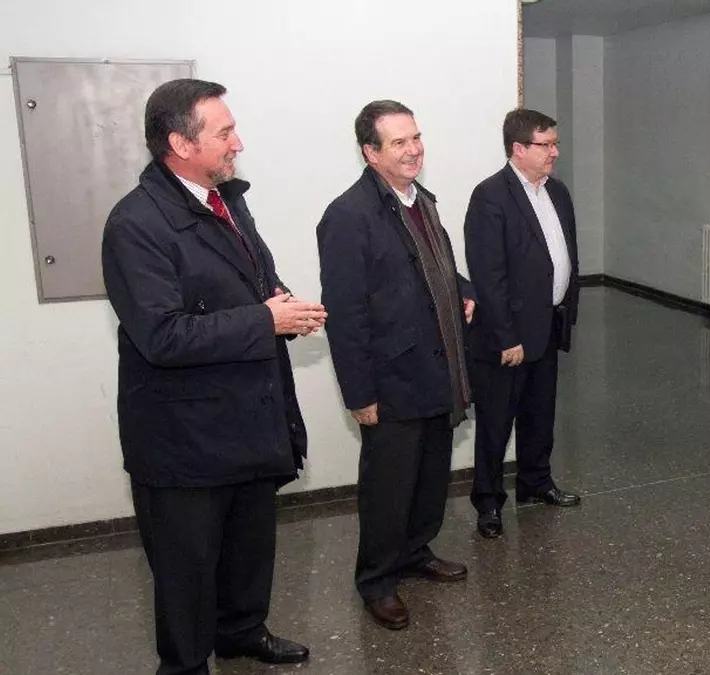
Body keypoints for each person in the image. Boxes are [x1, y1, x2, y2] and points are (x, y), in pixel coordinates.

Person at [101, 78, 321, 675]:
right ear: (180, 143)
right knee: (187, 572)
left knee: (249, 548)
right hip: (184, 438)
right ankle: (186, 665)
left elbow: (249, 280)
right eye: (224, 133)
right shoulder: (135, 224)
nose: (237, 143)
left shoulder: (226, 201)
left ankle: (242, 632)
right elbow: (162, 336)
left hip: (248, 419)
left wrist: (283, 304)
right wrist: (264, 320)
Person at [317, 100, 475, 631]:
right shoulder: (348, 216)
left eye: (416, 138)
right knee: (389, 487)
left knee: (429, 476)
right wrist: (360, 394)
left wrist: (464, 289)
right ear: (370, 152)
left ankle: (415, 552)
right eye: (399, 142)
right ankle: (378, 581)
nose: (414, 150)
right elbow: (345, 313)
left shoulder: (420, 201)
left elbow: (438, 268)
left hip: (438, 368)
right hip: (392, 379)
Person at [465, 108, 582, 539]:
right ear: (518, 148)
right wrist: (506, 337)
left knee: (540, 412)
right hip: (508, 336)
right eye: (545, 144)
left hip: (547, 325)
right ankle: (488, 502)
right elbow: (487, 274)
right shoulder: (490, 197)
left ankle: (535, 482)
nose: (555, 152)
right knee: (497, 421)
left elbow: (566, 252)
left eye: (555, 143)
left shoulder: (558, 193)